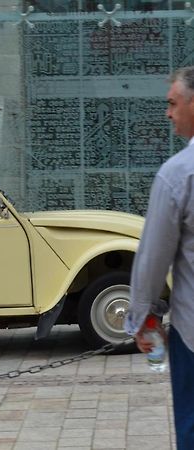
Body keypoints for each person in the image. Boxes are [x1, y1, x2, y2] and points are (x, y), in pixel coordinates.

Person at [125, 66, 194, 450]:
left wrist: (143, 317)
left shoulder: (179, 174)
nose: (168, 113)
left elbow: (153, 258)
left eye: (172, 103)